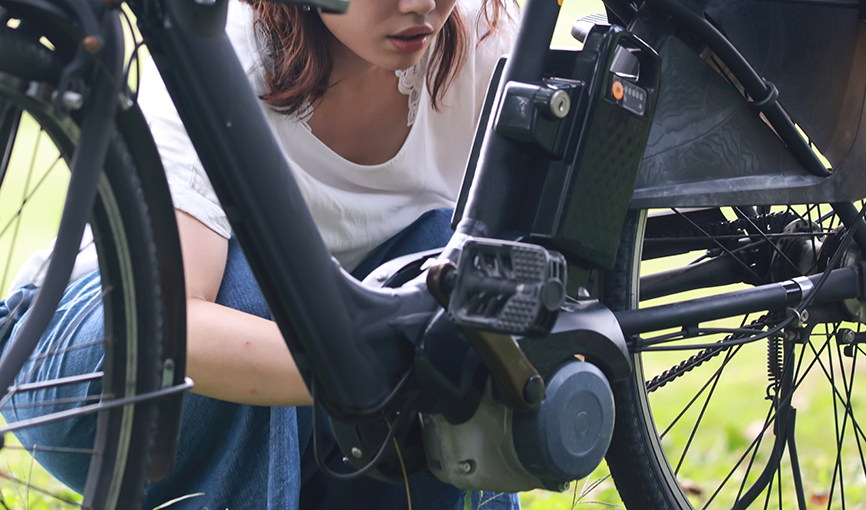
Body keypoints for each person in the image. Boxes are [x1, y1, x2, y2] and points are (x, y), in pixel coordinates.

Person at [0, 0, 520, 506]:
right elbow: (174, 321)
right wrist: (396, 365)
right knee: (267, 288)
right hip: (104, 349)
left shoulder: (482, 41)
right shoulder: (221, 40)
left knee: (456, 267)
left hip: (310, 389)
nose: (421, 5)